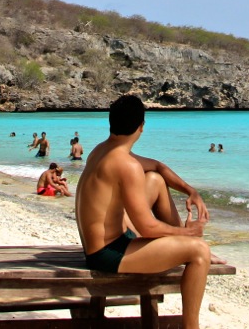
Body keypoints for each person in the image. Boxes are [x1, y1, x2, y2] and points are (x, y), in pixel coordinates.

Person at [76, 95, 214, 329]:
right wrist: (189, 235)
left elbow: (158, 167)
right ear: (141, 127)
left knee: (156, 180)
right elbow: (147, 228)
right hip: (106, 254)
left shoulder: (103, 150)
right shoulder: (126, 165)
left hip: (111, 239)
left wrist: (191, 191)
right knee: (200, 251)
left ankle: (179, 248)